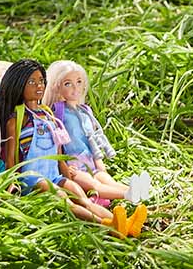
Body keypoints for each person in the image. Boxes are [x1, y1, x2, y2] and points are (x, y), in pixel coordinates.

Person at [0, 59, 120, 227]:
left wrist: (68, 176)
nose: (39, 86)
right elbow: (11, 157)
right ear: (19, 85)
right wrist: (12, 184)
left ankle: (119, 222)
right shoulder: (16, 120)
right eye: (32, 82)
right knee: (66, 201)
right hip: (33, 178)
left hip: (55, 174)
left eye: (41, 81)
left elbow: (59, 152)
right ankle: (108, 226)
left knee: (82, 197)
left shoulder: (48, 115)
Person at [44, 60, 150, 205]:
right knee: (95, 185)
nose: (75, 88)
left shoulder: (86, 111)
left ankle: (138, 191)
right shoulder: (57, 111)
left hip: (91, 160)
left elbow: (91, 139)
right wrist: (64, 166)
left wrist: (100, 165)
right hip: (73, 164)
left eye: (79, 82)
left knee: (107, 180)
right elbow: (57, 142)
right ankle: (128, 194)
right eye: (68, 84)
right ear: (57, 86)